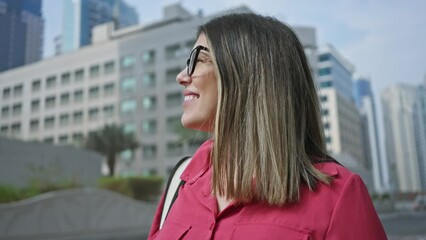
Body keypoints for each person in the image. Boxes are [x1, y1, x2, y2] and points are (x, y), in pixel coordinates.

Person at [148, 13, 387, 240]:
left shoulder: (339, 196)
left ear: (249, 74)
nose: (181, 76)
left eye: (198, 60)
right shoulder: (180, 183)